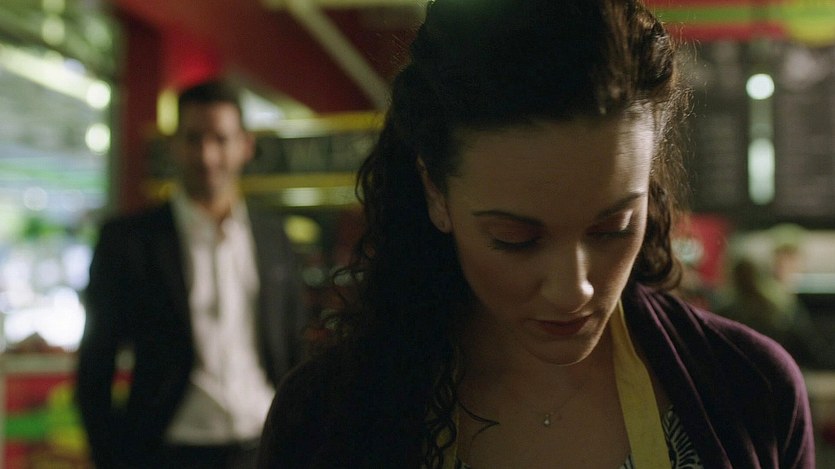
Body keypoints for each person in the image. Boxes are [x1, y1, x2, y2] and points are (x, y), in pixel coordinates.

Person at [257, 0, 815, 467]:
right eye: (515, 239)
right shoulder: (327, 419)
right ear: (436, 192)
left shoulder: (750, 389)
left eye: (612, 227)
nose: (574, 290)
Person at [76, 79, 308, 468]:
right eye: (194, 138)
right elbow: (95, 367)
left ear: (245, 146)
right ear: (173, 145)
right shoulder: (130, 241)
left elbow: (294, 346)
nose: (207, 155)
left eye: (221, 139)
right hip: (168, 451)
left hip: (264, 446)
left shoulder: (273, 237)